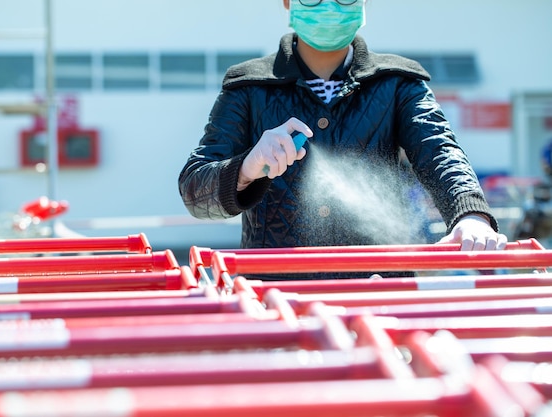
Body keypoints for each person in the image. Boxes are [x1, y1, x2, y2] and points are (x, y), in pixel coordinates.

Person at [178, 0, 507, 279]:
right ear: (287, 2)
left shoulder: (398, 83)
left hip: (380, 293)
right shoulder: (248, 86)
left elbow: (440, 151)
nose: (330, 6)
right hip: (276, 299)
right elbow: (195, 189)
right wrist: (246, 168)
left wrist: (471, 216)